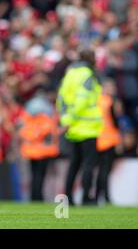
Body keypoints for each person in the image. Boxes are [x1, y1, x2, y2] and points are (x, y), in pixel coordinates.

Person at [56, 49, 103, 205]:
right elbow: (82, 99)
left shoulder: (70, 74)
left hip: (73, 128)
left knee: (74, 163)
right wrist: (73, 117)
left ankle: (68, 197)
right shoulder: (87, 75)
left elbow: (61, 98)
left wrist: (66, 119)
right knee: (88, 164)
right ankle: (86, 197)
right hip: (87, 126)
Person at [96, 79, 121, 204]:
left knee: (101, 170)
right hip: (109, 140)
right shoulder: (110, 101)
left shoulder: (97, 101)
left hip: (98, 139)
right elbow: (116, 122)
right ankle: (105, 197)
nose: (113, 89)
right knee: (105, 171)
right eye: (111, 86)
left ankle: (97, 196)